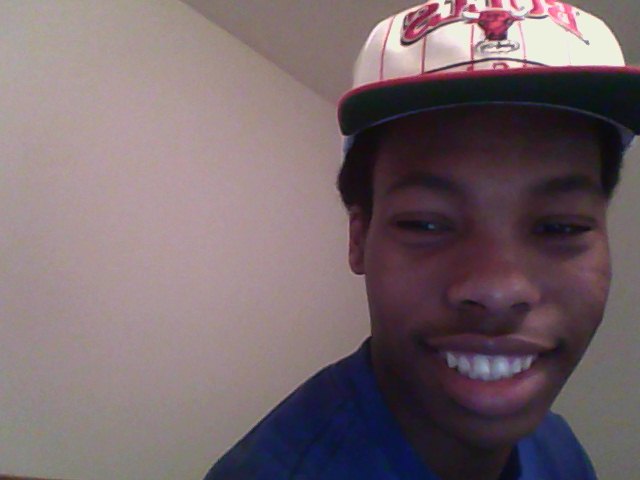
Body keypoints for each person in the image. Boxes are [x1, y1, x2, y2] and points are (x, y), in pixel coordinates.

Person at [204, 1, 640, 479]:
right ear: (358, 239)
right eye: (425, 224)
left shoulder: (558, 446)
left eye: (560, 227)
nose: (498, 290)